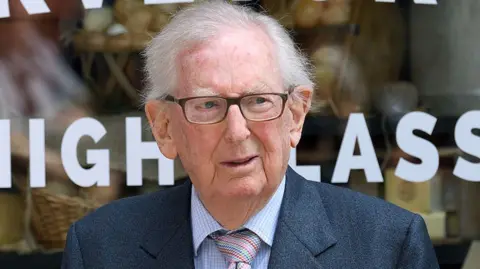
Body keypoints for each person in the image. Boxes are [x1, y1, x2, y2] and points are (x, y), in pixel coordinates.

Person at [61, 1, 439, 268]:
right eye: (207, 105)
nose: (237, 131)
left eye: (258, 101)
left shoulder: (387, 248)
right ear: (164, 128)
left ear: (295, 115)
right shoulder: (100, 249)